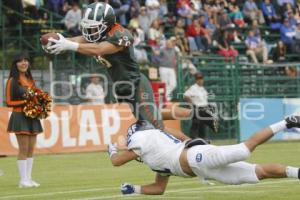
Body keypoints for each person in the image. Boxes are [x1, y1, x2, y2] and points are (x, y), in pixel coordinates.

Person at [43, 2, 212, 136]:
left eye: (93, 27)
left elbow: (99, 49)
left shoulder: (121, 35)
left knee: (156, 127)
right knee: (156, 115)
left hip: (136, 84)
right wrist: (61, 41)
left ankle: (195, 148)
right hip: (124, 88)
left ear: (107, 24)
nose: (89, 31)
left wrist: (68, 45)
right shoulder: (101, 34)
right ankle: (197, 113)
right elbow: (81, 39)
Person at [108, 116, 300, 195]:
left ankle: (286, 123)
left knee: (245, 148)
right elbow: (159, 188)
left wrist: (112, 150)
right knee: (258, 173)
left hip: (196, 158)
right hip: (205, 170)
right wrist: (135, 189)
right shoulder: (155, 154)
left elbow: (117, 162)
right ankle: (296, 172)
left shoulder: (142, 137)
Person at [5, 52, 43, 188]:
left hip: (32, 116)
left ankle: (29, 178)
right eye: (20, 61)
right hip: (20, 116)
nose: (24, 63)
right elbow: (8, 102)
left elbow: (36, 96)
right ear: (15, 64)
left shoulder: (30, 79)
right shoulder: (12, 81)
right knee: (23, 148)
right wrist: (25, 102)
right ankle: (22, 180)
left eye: (26, 60)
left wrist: (41, 102)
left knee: (31, 149)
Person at [184, 72, 218, 138]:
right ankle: (193, 140)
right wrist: (192, 105)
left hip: (204, 109)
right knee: (196, 125)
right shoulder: (193, 87)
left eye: (201, 78)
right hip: (198, 109)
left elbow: (205, 100)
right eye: (198, 78)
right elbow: (186, 96)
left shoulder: (202, 89)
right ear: (196, 80)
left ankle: (202, 142)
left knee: (202, 127)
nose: (200, 80)